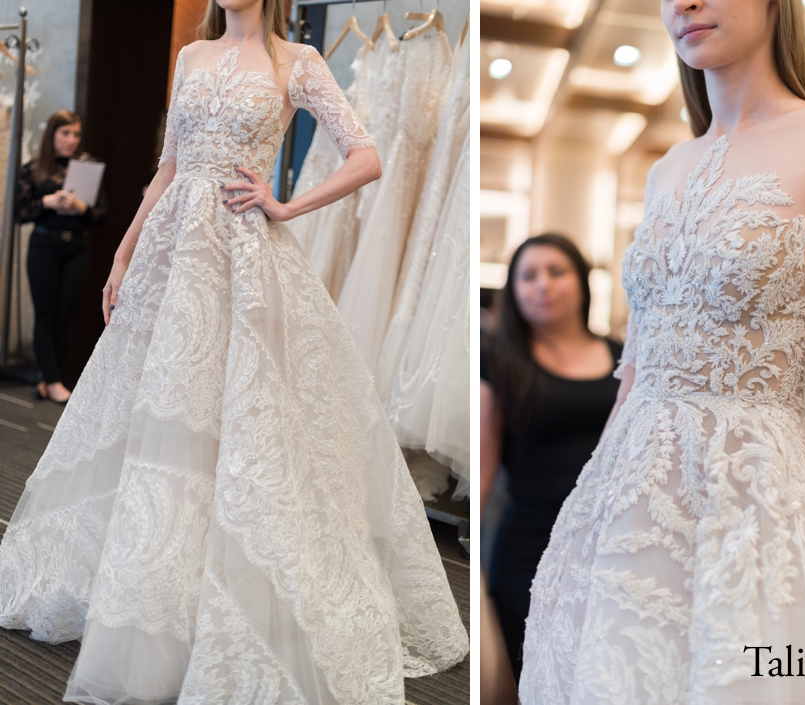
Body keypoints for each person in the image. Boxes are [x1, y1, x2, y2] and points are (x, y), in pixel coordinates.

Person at [0, 1, 468, 703]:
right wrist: (123, 253)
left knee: (234, 415)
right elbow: (168, 169)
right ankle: (148, 589)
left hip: (239, 255)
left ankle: (219, 599)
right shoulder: (190, 57)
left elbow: (367, 157)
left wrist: (287, 206)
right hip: (170, 256)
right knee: (155, 408)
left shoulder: (298, 62)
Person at [519, 1, 805, 704]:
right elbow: (635, 374)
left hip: (758, 505)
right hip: (628, 504)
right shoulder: (667, 167)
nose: (683, 4)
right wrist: (585, 511)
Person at [481, 234, 623, 681]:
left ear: (581, 281)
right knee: (537, 674)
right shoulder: (498, 360)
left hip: (608, 543)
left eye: (556, 272)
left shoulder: (622, 357)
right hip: (530, 544)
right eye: (528, 276)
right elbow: (484, 471)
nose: (542, 284)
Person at [16, 110, 108, 403]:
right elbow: (19, 213)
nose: (72, 140)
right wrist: (46, 201)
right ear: (52, 135)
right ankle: (54, 381)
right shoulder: (35, 168)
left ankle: (51, 378)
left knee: (65, 314)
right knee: (45, 313)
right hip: (44, 245)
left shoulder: (87, 167)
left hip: (77, 247)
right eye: (65, 133)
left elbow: (102, 214)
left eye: (76, 134)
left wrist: (81, 207)